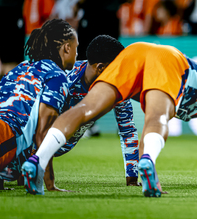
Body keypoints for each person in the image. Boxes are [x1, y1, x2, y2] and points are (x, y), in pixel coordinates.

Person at [21, 41, 197, 197]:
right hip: (169, 59)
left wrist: (138, 172)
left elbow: (139, 132)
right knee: (159, 116)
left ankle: (37, 160)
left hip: (135, 52)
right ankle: (149, 160)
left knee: (85, 108)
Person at [0, 19, 77, 191]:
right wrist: (50, 185)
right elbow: (43, 134)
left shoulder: (19, 68)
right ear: (67, 48)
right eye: (77, 47)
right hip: (3, 137)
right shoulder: (57, 77)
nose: (76, 54)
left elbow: (0, 109)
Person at [55, 35, 140, 186]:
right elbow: (35, 120)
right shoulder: (63, 80)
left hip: (59, 146)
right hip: (26, 145)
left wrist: (132, 178)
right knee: (9, 170)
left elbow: (128, 130)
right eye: (117, 68)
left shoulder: (116, 89)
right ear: (100, 67)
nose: (120, 74)